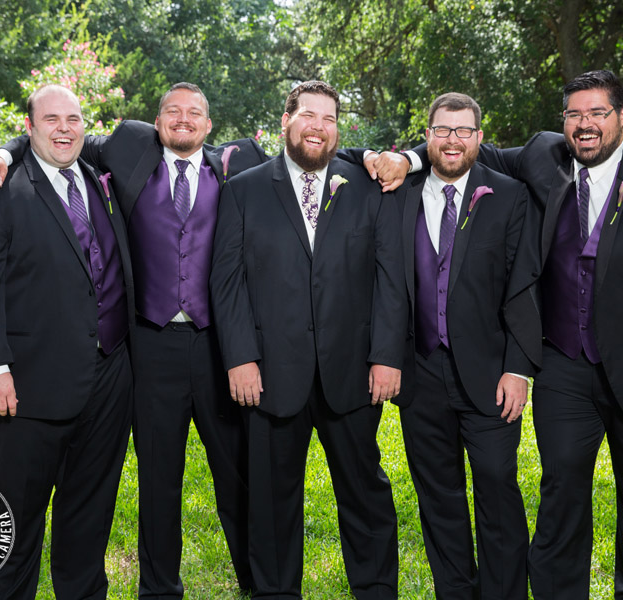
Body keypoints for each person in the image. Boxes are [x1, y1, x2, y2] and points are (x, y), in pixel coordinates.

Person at [369, 70, 623, 599]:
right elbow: (467, 149)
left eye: (598, 114)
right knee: (559, 493)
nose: (585, 126)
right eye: (574, 115)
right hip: (563, 366)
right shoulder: (544, 157)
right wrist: (408, 158)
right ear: (563, 121)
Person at [0, 82, 268, 597]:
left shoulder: (240, 165)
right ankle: (158, 590)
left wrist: (404, 158)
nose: (182, 120)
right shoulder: (123, 150)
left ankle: (263, 585)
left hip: (217, 349)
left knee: (239, 477)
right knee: (157, 481)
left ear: (210, 123)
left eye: (194, 112)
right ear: (155, 122)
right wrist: (2, 150)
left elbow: (314, 152)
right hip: (147, 349)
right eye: (171, 111)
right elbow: (55, 137)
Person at [209, 80, 406, 599]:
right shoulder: (244, 189)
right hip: (270, 371)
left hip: (353, 369)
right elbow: (225, 283)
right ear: (286, 121)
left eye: (330, 118)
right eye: (309, 116)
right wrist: (241, 359)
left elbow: (390, 277)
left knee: (366, 494)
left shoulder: (367, 188)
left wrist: (386, 355)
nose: (319, 127)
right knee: (270, 501)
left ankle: (377, 588)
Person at [0, 84, 135, 599]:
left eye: (73, 119)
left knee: (88, 519)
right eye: (50, 119)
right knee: (13, 527)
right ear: (28, 127)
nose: (63, 128)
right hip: (27, 386)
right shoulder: (0, 188)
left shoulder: (103, 179)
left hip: (108, 381)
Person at [389, 92, 533, 599]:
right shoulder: (398, 192)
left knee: (497, 487)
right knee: (439, 498)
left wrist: (518, 368)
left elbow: (524, 285)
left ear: (479, 137)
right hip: (420, 372)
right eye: (443, 130)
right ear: (425, 135)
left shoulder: (511, 195)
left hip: (491, 374)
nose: (453, 140)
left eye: (464, 131)